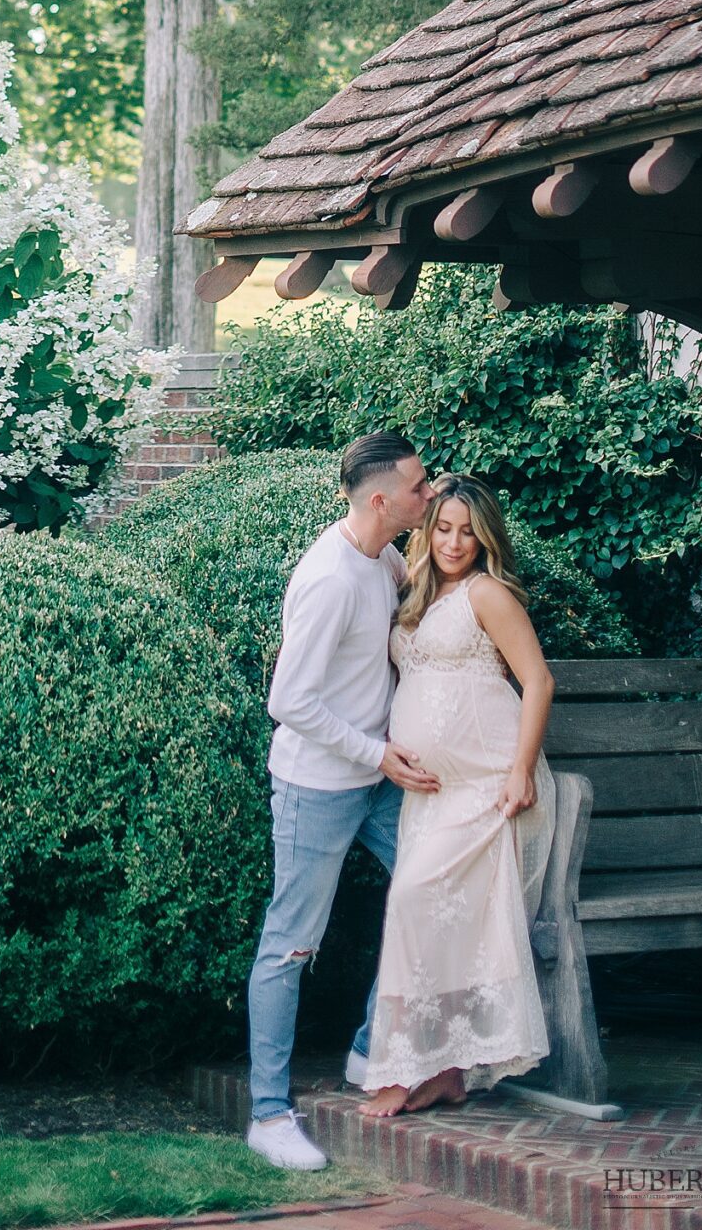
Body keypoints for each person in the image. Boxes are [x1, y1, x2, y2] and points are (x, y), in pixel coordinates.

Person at [244, 431, 437, 1174]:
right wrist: (374, 752)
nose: (430, 494)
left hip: (373, 780)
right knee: (289, 944)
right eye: (419, 488)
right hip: (317, 789)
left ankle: (366, 1051)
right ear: (382, 500)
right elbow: (288, 700)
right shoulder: (328, 577)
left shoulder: (383, 557)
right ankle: (268, 1115)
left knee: (429, 892)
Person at [358, 475, 556, 1116]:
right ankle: (444, 1070)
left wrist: (521, 771)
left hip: (488, 786)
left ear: (485, 536)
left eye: (468, 530)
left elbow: (539, 681)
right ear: (426, 529)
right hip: (431, 794)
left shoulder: (488, 594)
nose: (453, 541)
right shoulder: (412, 589)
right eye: (443, 526)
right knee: (433, 921)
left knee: (414, 901)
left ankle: (403, 1067)